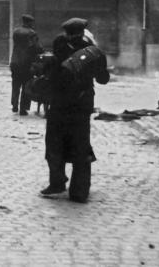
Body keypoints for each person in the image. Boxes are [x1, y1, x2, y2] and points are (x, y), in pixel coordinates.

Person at [41, 17, 110, 203]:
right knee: (80, 146)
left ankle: (56, 182)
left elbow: (50, 71)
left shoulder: (59, 44)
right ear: (83, 31)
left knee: (54, 143)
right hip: (81, 105)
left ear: (66, 32)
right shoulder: (91, 50)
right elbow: (103, 78)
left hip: (59, 103)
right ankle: (79, 191)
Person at [10, 14, 40, 115]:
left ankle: (14, 105)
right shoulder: (32, 33)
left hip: (15, 62)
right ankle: (23, 109)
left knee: (15, 84)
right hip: (26, 63)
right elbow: (36, 48)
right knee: (26, 86)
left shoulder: (16, 31)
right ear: (29, 22)